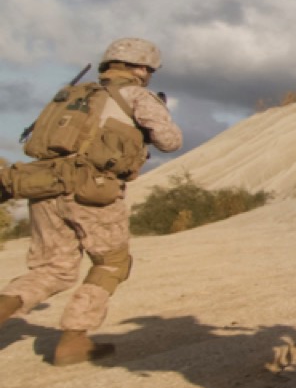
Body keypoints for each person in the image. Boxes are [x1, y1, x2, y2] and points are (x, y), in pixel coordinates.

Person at [0, 38, 182, 364]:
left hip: (43, 188)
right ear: (141, 67)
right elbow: (170, 141)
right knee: (112, 263)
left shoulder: (70, 94)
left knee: (51, 270)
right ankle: (74, 340)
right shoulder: (136, 95)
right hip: (92, 192)